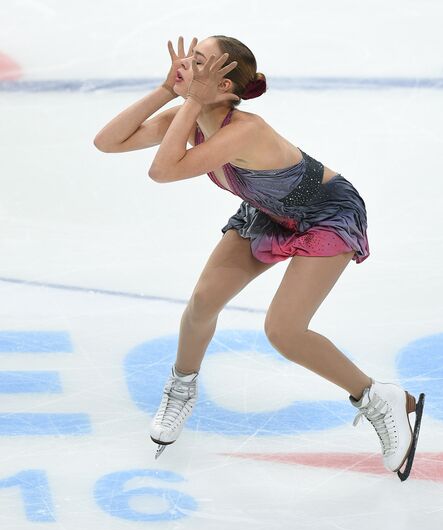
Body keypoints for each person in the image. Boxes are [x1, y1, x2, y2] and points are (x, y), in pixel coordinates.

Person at [93, 35, 424, 481]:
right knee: (203, 302)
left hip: (326, 213)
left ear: (226, 86)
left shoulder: (246, 129)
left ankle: (377, 396)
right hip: (269, 210)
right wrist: (165, 92)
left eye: (200, 63)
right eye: (190, 58)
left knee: (284, 331)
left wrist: (188, 101)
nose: (186, 65)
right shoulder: (189, 115)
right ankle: (182, 386)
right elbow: (107, 143)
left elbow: (162, 171)